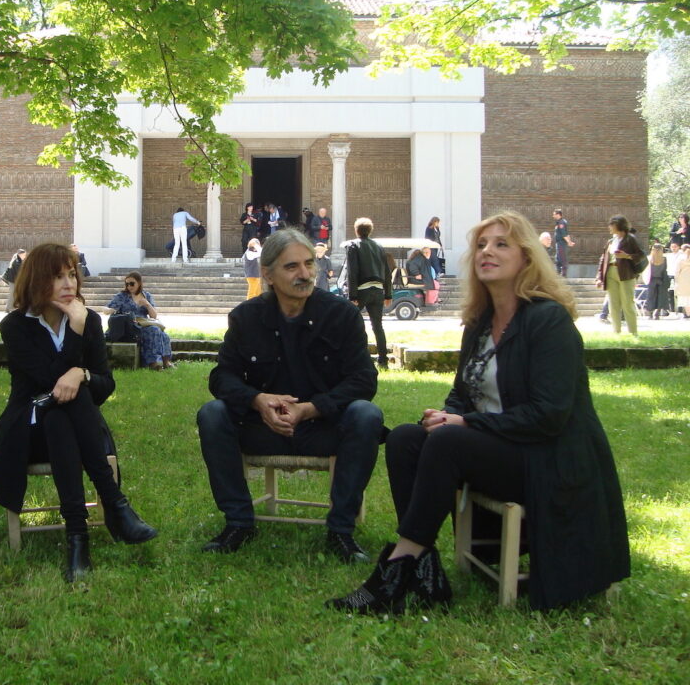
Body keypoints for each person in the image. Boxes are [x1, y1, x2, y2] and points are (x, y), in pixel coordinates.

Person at [328, 211, 629, 614]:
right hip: (497, 448)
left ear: (527, 257)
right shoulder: (480, 322)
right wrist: (446, 414)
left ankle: (398, 569)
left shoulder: (548, 320)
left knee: (449, 441)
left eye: (501, 244)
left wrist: (464, 422)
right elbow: (462, 393)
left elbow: (549, 415)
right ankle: (424, 566)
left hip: (548, 459)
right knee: (405, 439)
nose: (487, 251)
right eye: (482, 245)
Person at [196, 229, 384, 562]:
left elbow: (364, 380)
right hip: (263, 428)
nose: (305, 274)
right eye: (292, 266)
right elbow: (221, 376)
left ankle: (341, 531)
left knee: (367, 415)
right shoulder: (245, 317)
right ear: (267, 274)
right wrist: (257, 400)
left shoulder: (342, 315)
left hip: (323, 428)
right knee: (212, 413)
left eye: (309, 264)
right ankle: (238, 523)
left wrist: (311, 409)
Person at [0, 243, 157, 582]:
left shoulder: (89, 319)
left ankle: (77, 538)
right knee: (65, 400)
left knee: (64, 411)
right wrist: (75, 341)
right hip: (28, 428)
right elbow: (48, 381)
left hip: (73, 428)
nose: (69, 284)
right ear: (36, 280)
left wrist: (82, 374)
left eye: (71, 274)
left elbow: (105, 386)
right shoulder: (15, 326)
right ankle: (115, 505)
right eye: (57, 277)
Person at [344, 218, 393, 369]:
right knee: (378, 326)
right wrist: (388, 294)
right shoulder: (379, 246)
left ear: (356, 230)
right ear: (370, 230)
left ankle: (358, 358)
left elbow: (352, 271)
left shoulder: (353, 245)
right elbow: (387, 271)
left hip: (361, 290)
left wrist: (352, 295)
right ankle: (383, 360)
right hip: (378, 290)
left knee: (350, 323)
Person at [107, 271, 174, 370]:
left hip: (144, 323)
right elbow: (109, 309)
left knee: (164, 335)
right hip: (130, 325)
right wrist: (110, 310)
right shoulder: (122, 296)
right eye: (127, 284)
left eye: (132, 283)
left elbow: (154, 316)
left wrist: (147, 304)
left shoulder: (146, 295)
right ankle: (153, 363)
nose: (129, 286)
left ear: (139, 283)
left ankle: (166, 362)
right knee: (154, 330)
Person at [595, 215, 644, 336]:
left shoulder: (630, 239)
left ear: (619, 226)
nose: (609, 227)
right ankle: (616, 332)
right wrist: (599, 277)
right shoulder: (610, 241)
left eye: (611, 225)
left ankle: (633, 333)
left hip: (626, 273)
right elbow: (603, 259)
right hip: (610, 272)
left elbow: (641, 255)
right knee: (613, 304)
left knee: (628, 303)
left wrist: (626, 256)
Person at [644, 243, 670, 319]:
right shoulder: (664, 259)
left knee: (651, 297)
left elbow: (646, 270)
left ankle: (650, 312)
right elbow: (665, 270)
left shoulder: (649, 259)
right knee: (660, 297)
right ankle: (657, 313)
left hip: (651, 280)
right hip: (661, 280)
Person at [553, 209, 575, 277]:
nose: (553, 216)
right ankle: (558, 274)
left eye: (554, 214)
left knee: (562, 259)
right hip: (559, 244)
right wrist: (569, 241)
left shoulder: (561, 223)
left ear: (558, 215)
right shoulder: (560, 222)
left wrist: (569, 242)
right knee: (557, 259)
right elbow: (566, 233)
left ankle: (563, 275)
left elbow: (564, 234)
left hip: (561, 244)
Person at [675, 244, 690, 319]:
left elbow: (677, 270)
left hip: (683, 279)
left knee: (685, 297)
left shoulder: (680, 258)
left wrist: (676, 280)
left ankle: (687, 313)